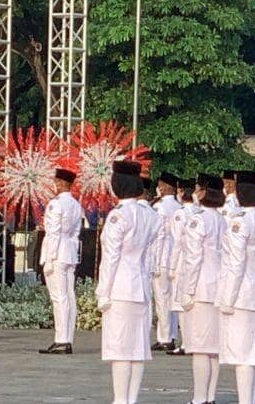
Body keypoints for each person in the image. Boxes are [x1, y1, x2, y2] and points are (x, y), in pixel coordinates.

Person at [96, 160, 159, 404]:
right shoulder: (148, 214)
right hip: (140, 284)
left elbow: (111, 258)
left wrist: (103, 291)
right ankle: (130, 399)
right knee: (137, 348)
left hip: (120, 286)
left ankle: (120, 399)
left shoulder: (118, 215)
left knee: (120, 348)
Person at [218, 170, 255, 404]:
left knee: (242, 355)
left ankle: (245, 400)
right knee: (254, 353)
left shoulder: (239, 221)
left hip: (240, 294)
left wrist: (228, 299)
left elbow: (236, 264)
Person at [178, 173, 226, 404]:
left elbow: (193, 258)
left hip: (201, 286)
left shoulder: (198, 220)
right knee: (214, 348)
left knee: (199, 347)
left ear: (206, 192)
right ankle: (210, 396)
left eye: (198, 188)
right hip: (218, 285)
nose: (195, 192)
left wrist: (188, 290)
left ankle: (199, 398)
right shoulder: (222, 220)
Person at [40, 168, 84, 355]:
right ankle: (67, 338)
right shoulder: (75, 204)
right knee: (69, 296)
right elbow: (76, 233)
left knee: (59, 298)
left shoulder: (55, 204)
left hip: (57, 253)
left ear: (61, 183)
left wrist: (50, 258)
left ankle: (61, 340)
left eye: (57, 182)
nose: (55, 185)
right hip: (69, 252)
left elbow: (53, 233)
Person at [150, 171, 181, 352]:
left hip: (162, 257)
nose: (159, 188)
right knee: (172, 298)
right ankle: (172, 335)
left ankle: (165, 337)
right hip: (175, 257)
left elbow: (159, 236)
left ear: (165, 187)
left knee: (162, 298)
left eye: (160, 185)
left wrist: (155, 261)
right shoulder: (178, 206)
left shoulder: (160, 207)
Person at [167, 177, 197, 356]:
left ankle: (186, 343)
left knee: (180, 305)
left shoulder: (180, 213)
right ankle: (192, 341)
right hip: (195, 261)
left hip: (182, 261)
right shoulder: (199, 211)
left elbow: (177, 242)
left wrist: (171, 266)